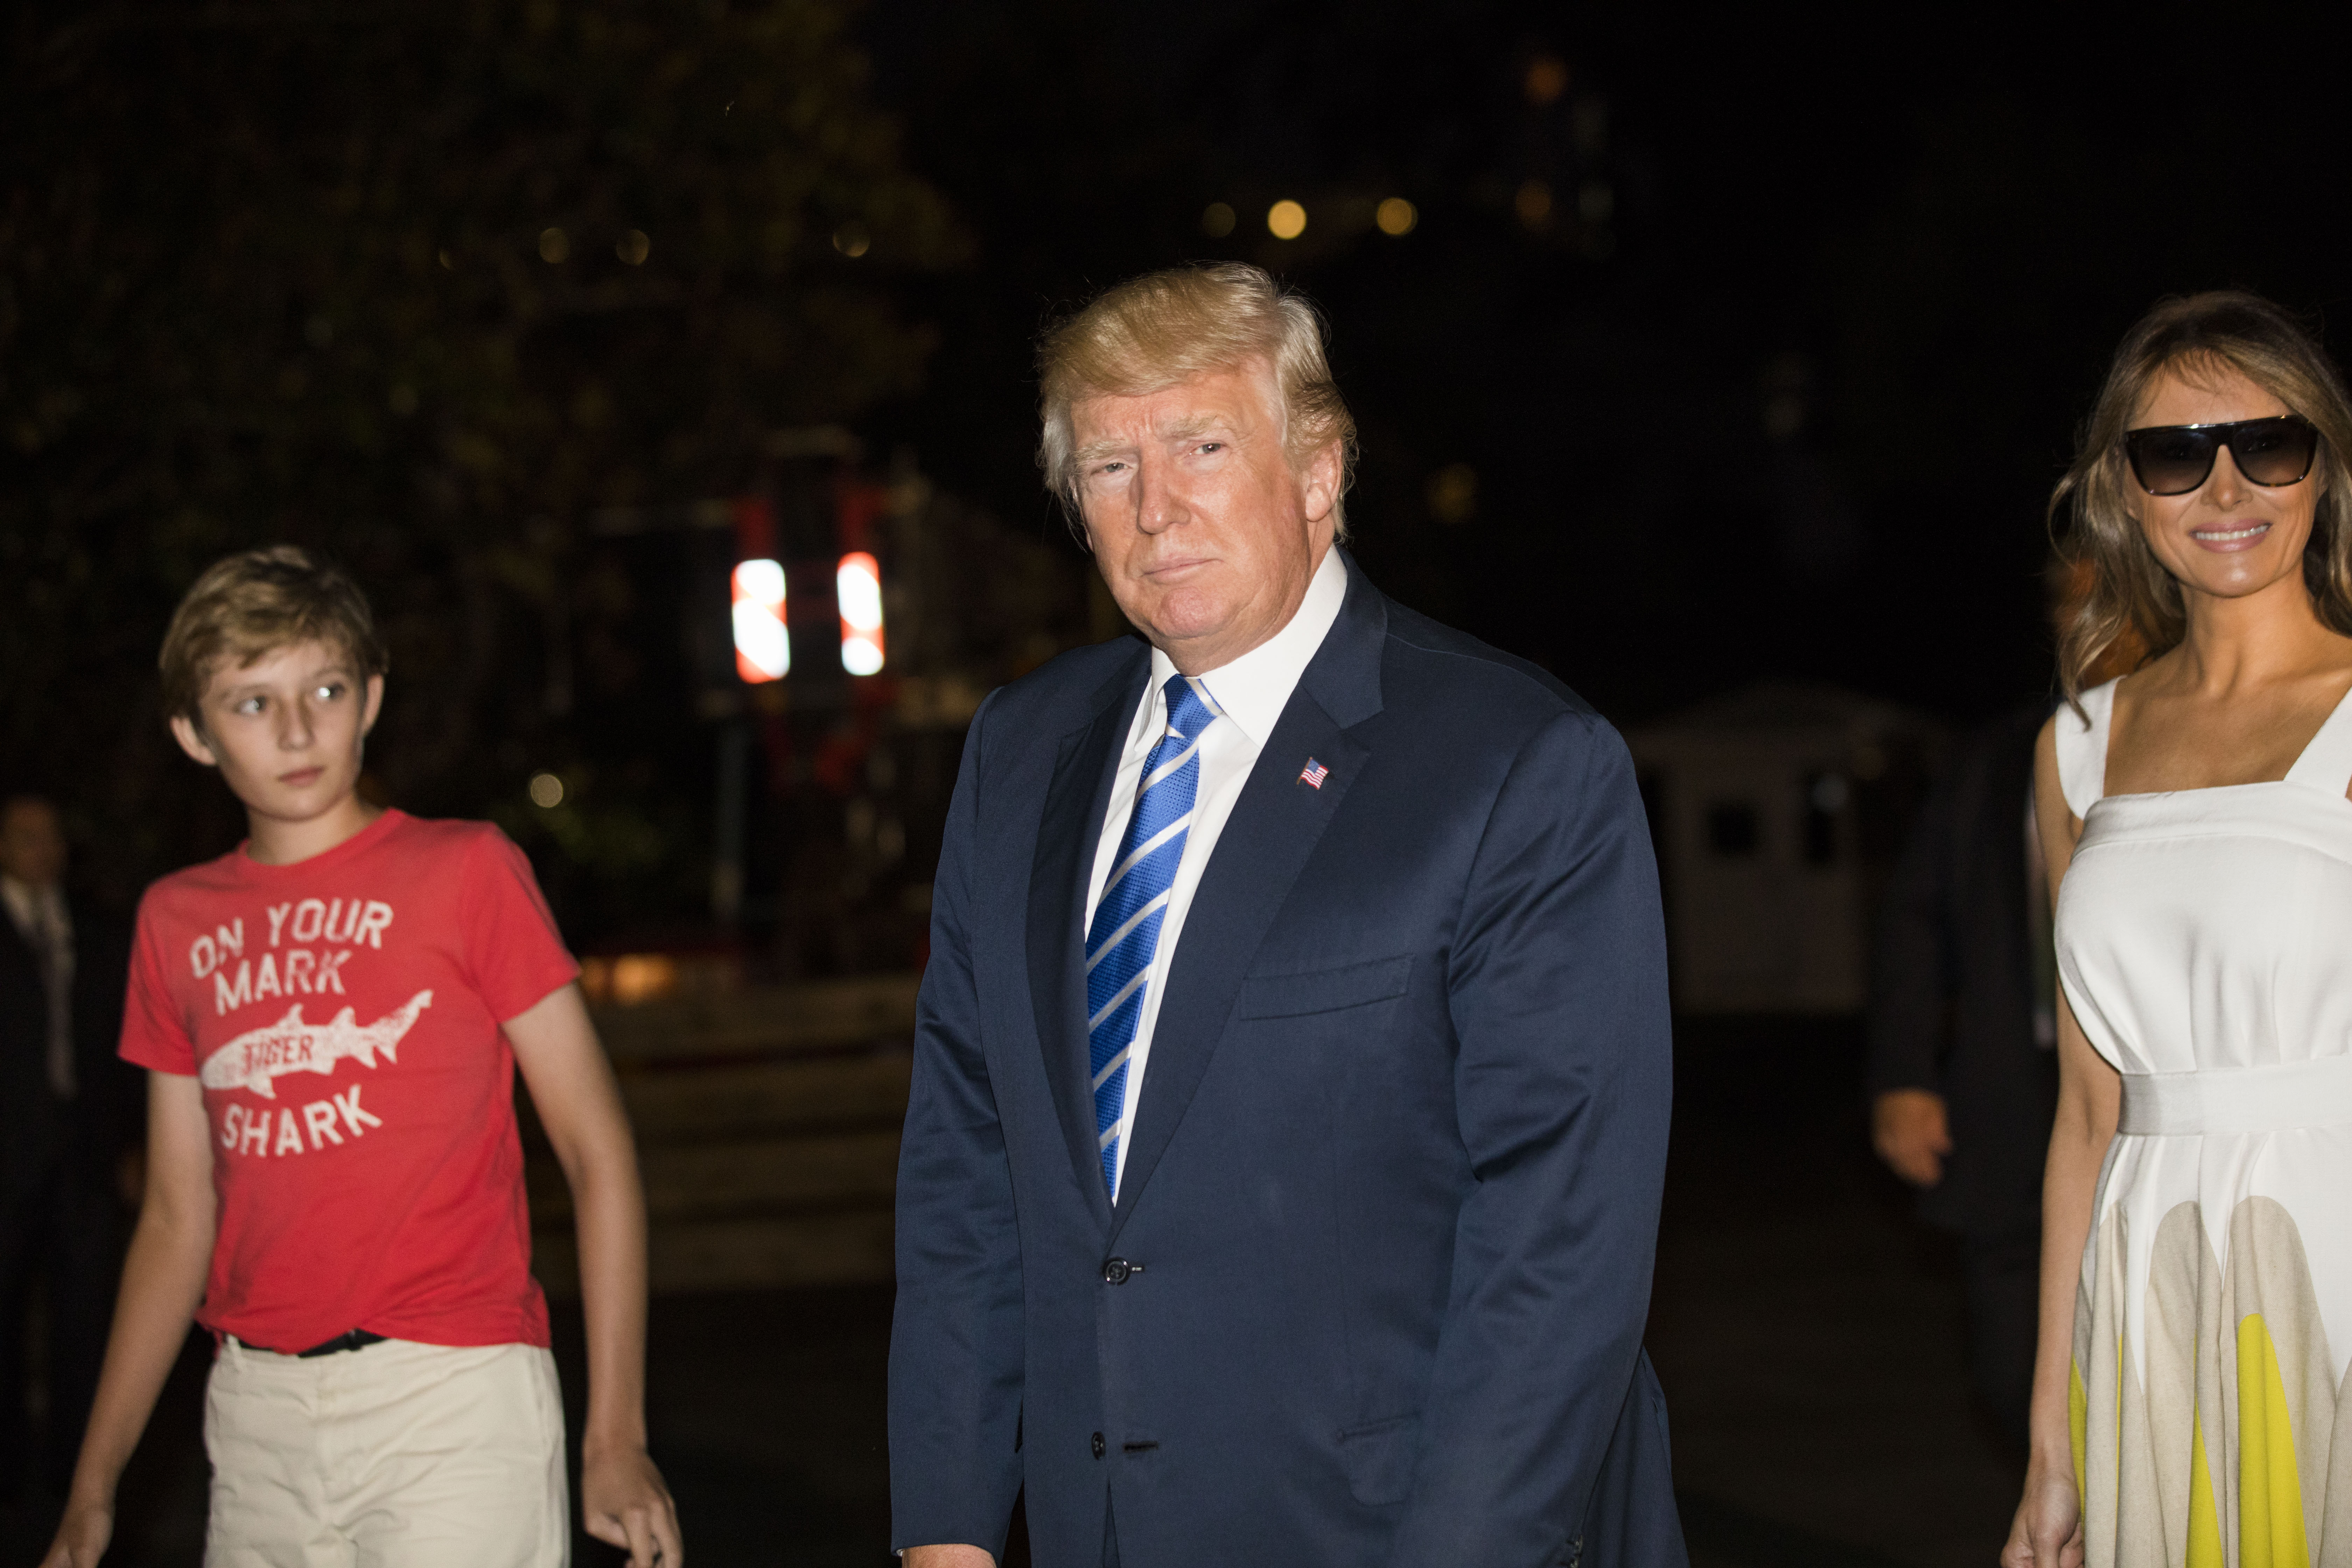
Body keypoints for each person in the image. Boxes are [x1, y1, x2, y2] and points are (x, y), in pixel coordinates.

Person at [888, 263, 1681, 1568]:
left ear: (1320, 472)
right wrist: (948, 1527)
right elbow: (965, 1167)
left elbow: (1561, 1246)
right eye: (1107, 467)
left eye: (1202, 445)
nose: (1155, 508)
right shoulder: (1021, 753)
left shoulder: (1514, 763)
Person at [43, 548, 682, 1568]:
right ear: (192, 733)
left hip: (451, 1394)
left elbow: (597, 1151)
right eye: (251, 703)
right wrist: (92, 1486)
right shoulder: (175, 922)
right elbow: (175, 1214)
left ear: (371, 695)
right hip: (254, 1412)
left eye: (325, 689)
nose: (297, 732)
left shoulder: (467, 869)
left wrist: (616, 1437)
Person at [2005, 292, 2352, 1567]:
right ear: (2123, 491)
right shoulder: (2078, 748)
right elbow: (2087, 1118)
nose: (2225, 484)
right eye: (2175, 451)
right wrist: (2053, 1442)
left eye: (2271, 442)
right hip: (2149, 1286)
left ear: (2325, 465)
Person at [1868, 703, 2060, 1455]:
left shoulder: (2194, 730)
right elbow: (1918, 914)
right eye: (2066, 598)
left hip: (2158, 1109)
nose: (2086, 616)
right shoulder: (2001, 755)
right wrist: (1902, 1072)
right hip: (2011, 1100)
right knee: (2010, 1373)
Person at [0, 796, 140, 1496]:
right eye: (25, 835)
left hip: (81, 1157)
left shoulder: (92, 929)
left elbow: (124, 1051)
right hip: (9, 1159)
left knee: (85, 1314)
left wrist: (131, 1143)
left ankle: (77, 1471)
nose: (41, 847)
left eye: (50, 834)